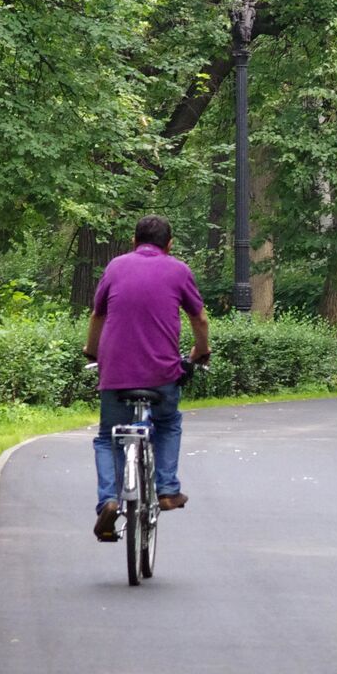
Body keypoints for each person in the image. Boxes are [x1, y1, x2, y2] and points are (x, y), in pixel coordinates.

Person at [83, 215, 210, 542]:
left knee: (107, 436)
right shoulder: (178, 270)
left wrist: (93, 351)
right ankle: (167, 489)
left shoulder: (115, 267)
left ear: (133, 240)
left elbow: (98, 313)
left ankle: (109, 500)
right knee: (167, 423)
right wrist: (200, 352)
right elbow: (200, 318)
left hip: (116, 373)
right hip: (163, 373)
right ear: (170, 244)